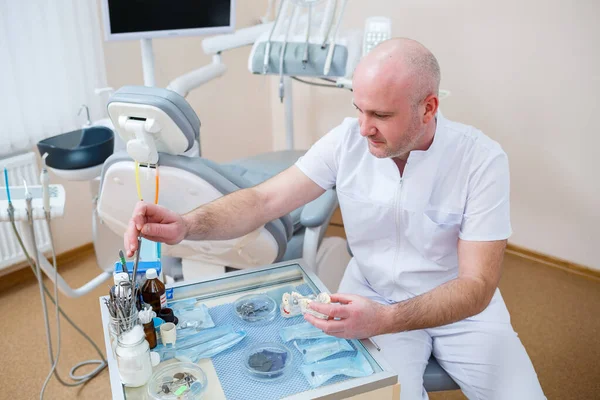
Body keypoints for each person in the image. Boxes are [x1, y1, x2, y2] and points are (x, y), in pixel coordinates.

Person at [124, 38, 545, 399]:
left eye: (381, 116)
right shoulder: (347, 141)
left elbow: (476, 287)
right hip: (371, 298)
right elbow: (263, 201)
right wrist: (186, 224)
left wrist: (387, 319)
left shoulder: (480, 160)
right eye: (359, 109)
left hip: (461, 311)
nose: (364, 128)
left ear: (428, 108)